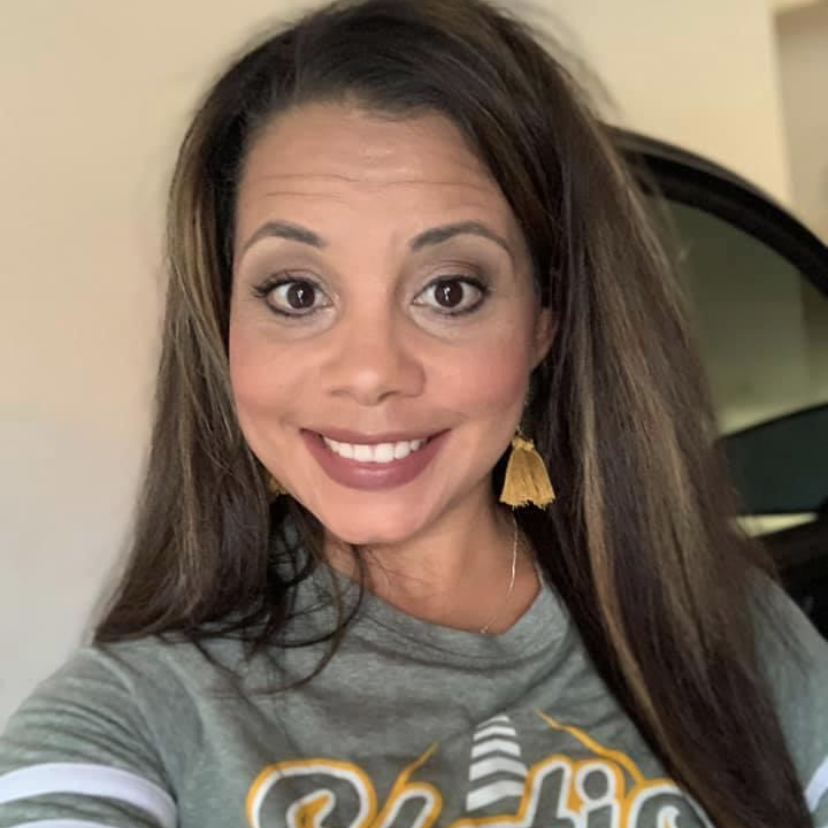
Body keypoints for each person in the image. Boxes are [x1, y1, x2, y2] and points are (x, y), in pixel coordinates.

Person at [1, 0, 825, 826]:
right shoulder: (138, 714)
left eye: (450, 291)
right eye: (297, 293)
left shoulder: (727, 627)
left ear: (544, 320)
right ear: (223, 323)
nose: (370, 373)